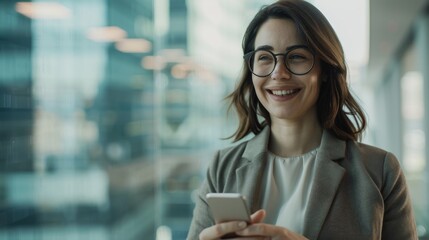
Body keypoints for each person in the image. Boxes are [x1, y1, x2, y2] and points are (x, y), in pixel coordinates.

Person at [187, 0, 417, 239]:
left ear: (325, 70)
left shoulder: (380, 170)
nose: (279, 72)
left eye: (296, 56)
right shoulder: (222, 167)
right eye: (265, 57)